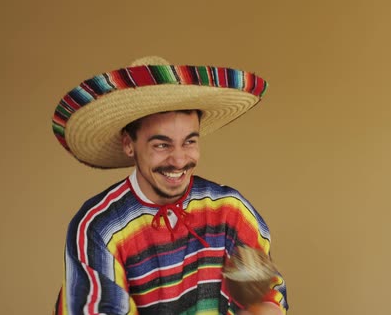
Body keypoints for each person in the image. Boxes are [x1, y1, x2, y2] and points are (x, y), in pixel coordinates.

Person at [51, 56, 288, 314]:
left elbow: (269, 297)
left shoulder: (229, 211)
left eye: (189, 142)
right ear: (129, 143)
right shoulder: (100, 227)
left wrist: (263, 306)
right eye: (161, 145)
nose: (178, 160)